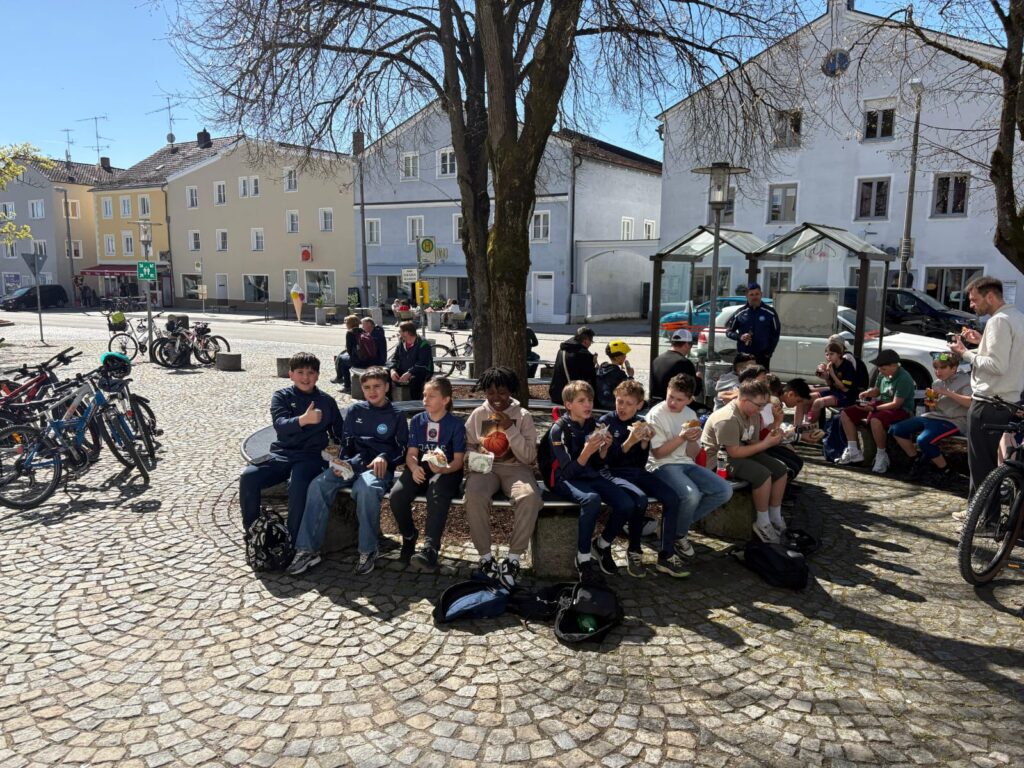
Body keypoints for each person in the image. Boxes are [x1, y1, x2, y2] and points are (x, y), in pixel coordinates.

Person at [287, 368, 408, 576]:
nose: (372, 391)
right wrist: (341, 462)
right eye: (367, 387)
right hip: (352, 466)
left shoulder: (396, 415)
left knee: (366, 489)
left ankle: (368, 550)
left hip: (378, 469)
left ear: (387, 387)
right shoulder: (355, 411)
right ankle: (308, 550)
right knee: (318, 484)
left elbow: (402, 450)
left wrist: (385, 458)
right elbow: (346, 444)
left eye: (377, 386)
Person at [239, 352, 345, 543]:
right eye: (300, 372)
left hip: (311, 457)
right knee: (249, 476)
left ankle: (293, 539)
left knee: (297, 484)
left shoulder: (327, 401)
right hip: (282, 454)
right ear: (291, 375)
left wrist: (341, 457)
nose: (306, 377)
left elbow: (340, 434)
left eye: (311, 373)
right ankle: (253, 531)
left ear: (318, 375)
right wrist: (303, 420)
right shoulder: (281, 396)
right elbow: (280, 424)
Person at [548, 380, 648, 582]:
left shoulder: (594, 425)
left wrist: (603, 449)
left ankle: (602, 544)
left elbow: (599, 462)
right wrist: (587, 451)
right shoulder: (558, 430)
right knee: (592, 499)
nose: (588, 405)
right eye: (581, 401)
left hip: (591, 475)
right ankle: (583, 557)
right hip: (565, 480)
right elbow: (568, 473)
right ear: (568, 405)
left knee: (628, 503)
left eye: (590, 400)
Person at [598, 379, 691, 578]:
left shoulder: (641, 422)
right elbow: (607, 460)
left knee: (672, 498)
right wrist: (630, 442)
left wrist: (643, 443)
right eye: (619, 401)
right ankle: (634, 550)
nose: (622, 407)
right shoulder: (606, 422)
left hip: (637, 472)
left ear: (639, 405)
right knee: (639, 499)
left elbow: (640, 462)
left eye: (628, 403)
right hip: (612, 474)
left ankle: (666, 554)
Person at [464, 367, 544, 588]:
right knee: (473, 496)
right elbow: (468, 444)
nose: (496, 398)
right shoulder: (478, 414)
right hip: (486, 469)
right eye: (490, 393)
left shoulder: (523, 416)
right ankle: (486, 558)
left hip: (516, 468)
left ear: (510, 391)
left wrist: (510, 428)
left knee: (529, 497)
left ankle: (513, 558)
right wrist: (475, 454)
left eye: (501, 392)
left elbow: (528, 457)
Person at [947, 275, 1024, 505]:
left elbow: (996, 366)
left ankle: (984, 520)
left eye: (974, 299)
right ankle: (977, 513)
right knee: (984, 462)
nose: (971, 305)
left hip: (989, 401)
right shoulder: (1017, 317)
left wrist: (964, 353)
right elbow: (1009, 358)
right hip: (1008, 400)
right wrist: (982, 343)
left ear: (990, 296)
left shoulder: (998, 321)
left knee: (981, 465)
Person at [646, 373, 734, 559]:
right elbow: (658, 453)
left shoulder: (690, 414)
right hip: (661, 466)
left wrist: (693, 439)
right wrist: (682, 437)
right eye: (671, 397)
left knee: (724, 490)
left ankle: (676, 527)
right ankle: (678, 533)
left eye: (679, 400)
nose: (672, 403)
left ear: (689, 399)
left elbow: (692, 454)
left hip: (685, 463)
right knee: (691, 494)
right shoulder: (656, 414)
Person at [389, 377, 466, 572]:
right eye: (424, 395)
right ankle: (409, 537)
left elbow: (458, 461)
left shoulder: (456, 424)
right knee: (397, 496)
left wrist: (444, 469)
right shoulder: (417, 420)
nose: (425, 399)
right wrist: (414, 468)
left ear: (445, 400)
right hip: (421, 467)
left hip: (447, 471)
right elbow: (412, 454)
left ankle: (430, 549)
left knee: (437, 492)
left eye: (431, 396)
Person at [701, 379, 789, 543]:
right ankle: (762, 523)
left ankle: (775, 516)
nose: (761, 409)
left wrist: (776, 424)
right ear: (743, 400)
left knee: (780, 470)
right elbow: (734, 452)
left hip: (738, 452)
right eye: (759, 405)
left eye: (764, 405)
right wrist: (766, 443)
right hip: (717, 461)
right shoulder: (727, 418)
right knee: (761, 475)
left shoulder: (752, 412)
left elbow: (753, 444)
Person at [889, 351, 971, 483]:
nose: (938, 371)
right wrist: (931, 403)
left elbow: (970, 402)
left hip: (955, 420)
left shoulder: (966, 380)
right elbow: (935, 408)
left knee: (923, 440)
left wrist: (947, 393)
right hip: (934, 416)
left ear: (954, 368)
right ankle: (917, 461)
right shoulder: (937, 383)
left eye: (942, 368)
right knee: (897, 429)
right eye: (936, 368)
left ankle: (946, 470)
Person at [834, 348, 915, 473]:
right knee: (846, 413)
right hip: (882, 404)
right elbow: (877, 390)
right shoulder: (883, 374)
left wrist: (875, 408)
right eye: (879, 368)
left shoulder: (904, 378)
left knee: (876, 420)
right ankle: (853, 449)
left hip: (901, 410)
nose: (880, 371)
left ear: (894, 366)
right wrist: (867, 393)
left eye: (883, 368)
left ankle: (881, 454)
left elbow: (896, 403)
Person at [725, 283, 781, 370]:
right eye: (751, 294)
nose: (755, 297)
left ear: (761, 294)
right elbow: (728, 331)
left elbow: (775, 334)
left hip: (762, 357)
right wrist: (740, 337)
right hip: (744, 357)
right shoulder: (740, 312)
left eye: (757, 294)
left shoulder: (770, 313)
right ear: (747, 296)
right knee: (743, 382)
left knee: (760, 382)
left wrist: (768, 352)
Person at [805, 341, 859, 425]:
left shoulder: (847, 365)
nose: (829, 357)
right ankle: (804, 425)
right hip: (835, 392)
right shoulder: (831, 365)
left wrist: (832, 374)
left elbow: (844, 388)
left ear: (839, 354)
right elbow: (831, 385)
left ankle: (809, 427)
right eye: (827, 354)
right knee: (806, 398)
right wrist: (826, 377)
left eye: (831, 354)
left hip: (847, 396)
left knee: (818, 402)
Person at [548, 326, 597, 405]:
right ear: (585, 341)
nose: (591, 344)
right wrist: (593, 364)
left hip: (556, 394)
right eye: (591, 341)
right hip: (571, 397)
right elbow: (590, 379)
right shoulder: (585, 355)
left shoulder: (562, 350)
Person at [388, 320, 433, 400]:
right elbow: (395, 358)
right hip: (404, 370)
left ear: (407, 332)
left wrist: (409, 373)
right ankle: (389, 402)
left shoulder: (423, 344)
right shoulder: (401, 343)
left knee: (415, 379)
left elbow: (422, 363)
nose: (399, 333)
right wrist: (392, 370)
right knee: (385, 375)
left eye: (400, 331)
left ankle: (414, 405)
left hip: (420, 371)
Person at [650, 329, 699, 402]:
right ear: (686, 345)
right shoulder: (684, 363)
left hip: (654, 402)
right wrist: (699, 379)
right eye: (691, 345)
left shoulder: (657, 360)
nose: (690, 348)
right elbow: (695, 391)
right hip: (673, 404)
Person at [595, 340, 634, 411]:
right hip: (612, 406)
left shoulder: (600, 368)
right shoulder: (619, 374)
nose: (625, 356)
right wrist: (630, 376)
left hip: (599, 404)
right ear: (617, 357)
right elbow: (630, 391)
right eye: (624, 354)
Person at [333, 315, 362, 388]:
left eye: (346, 322)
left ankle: (345, 384)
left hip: (357, 359)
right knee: (341, 356)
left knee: (342, 361)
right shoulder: (362, 330)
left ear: (349, 323)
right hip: (365, 357)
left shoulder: (350, 333)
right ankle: (339, 378)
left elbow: (349, 350)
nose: (345, 324)